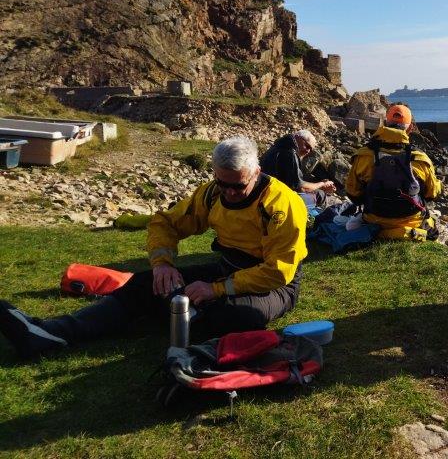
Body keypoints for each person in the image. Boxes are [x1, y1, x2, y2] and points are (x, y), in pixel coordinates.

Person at [0, 137, 308, 360]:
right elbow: (166, 223)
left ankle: (185, 315)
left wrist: (217, 289)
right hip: (228, 266)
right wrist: (162, 263)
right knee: (143, 283)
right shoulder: (212, 194)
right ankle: (52, 332)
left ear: (255, 173)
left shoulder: (282, 205)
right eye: (222, 183)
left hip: (275, 285)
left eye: (238, 186)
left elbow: (278, 270)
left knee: (237, 316)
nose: (230, 192)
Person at [345, 104, 442, 240]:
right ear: (410, 128)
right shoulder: (421, 159)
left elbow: (353, 194)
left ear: (385, 123)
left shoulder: (363, 156)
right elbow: (432, 194)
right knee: (432, 225)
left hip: (374, 220)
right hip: (411, 223)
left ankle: (379, 233)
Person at [260, 129, 336, 207]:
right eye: (307, 146)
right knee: (320, 195)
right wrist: (322, 184)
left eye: (310, 150)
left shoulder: (280, 145)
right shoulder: (290, 153)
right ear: (297, 137)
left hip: (266, 192)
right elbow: (301, 188)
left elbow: (294, 181)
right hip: (275, 200)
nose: (308, 151)